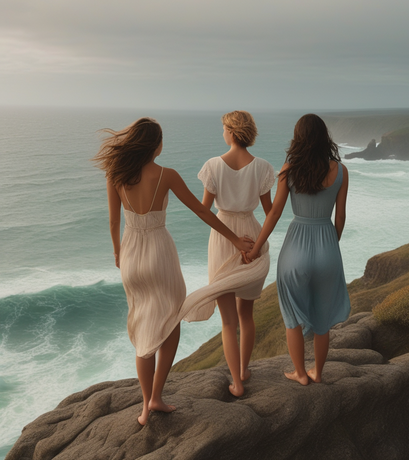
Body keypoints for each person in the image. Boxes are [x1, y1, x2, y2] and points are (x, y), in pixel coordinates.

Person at [93, 117, 253, 425]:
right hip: (159, 252)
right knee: (171, 320)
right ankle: (156, 396)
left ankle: (143, 408)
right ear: (156, 145)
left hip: (131, 254)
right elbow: (202, 210)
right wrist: (234, 239)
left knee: (143, 328)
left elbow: (114, 222)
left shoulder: (115, 174)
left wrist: (117, 251)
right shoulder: (166, 175)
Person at [246, 113, 350, 385]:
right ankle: (318, 372)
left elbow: (274, 213)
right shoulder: (340, 170)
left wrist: (256, 248)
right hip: (327, 245)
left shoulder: (288, 169)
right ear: (323, 136)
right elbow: (340, 218)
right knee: (322, 318)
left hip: (296, 247)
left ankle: (300, 373)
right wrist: (330, 244)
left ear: (298, 138)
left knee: (291, 315)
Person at [194, 110, 275, 397]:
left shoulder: (213, 166)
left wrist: (233, 240)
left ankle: (237, 383)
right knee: (246, 315)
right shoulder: (263, 167)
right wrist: (254, 245)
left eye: (224, 128)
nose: (223, 133)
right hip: (252, 235)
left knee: (228, 320)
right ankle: (243, 370)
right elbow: (270, 213)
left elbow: (204, 211)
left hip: (223, 235)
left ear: (231, 131)